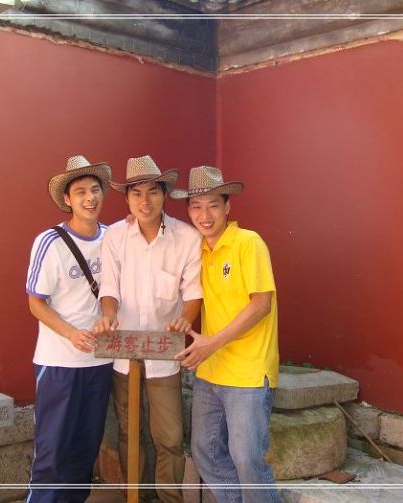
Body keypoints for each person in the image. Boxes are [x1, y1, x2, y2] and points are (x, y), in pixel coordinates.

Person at [94, 155, 202, 503]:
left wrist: (186, 318)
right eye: (136, 193)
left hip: (164, 353)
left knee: (169, 435)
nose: (145, 201)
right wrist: (109, 314)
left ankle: (169, 498)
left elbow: (193, 292)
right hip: (123, 351)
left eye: (152, 192)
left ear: (164, 195)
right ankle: (135, 497)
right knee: (129, 432)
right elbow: (109, 286)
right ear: (126, 199)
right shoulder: (115, 236)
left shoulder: (186, 237)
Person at [173, 166, 281, 503]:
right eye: (196, 207)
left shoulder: (248, 243)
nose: (204, 216)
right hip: (210, 371)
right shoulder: (197, 250)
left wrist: (212, 342)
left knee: (247, 458)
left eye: (213, 205)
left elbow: (261, 304)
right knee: (204, 451)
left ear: (228, 206)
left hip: (248, 372)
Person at [25, 155, 114, 503]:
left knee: (85, 448)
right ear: (67, 199)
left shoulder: (114, 238)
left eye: (95, 190)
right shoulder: (50, 242)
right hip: (59, 362)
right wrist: (71, 333)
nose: (90, 198)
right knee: (52, 449)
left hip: (100, 362)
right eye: (81, 192)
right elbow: (36, 303)